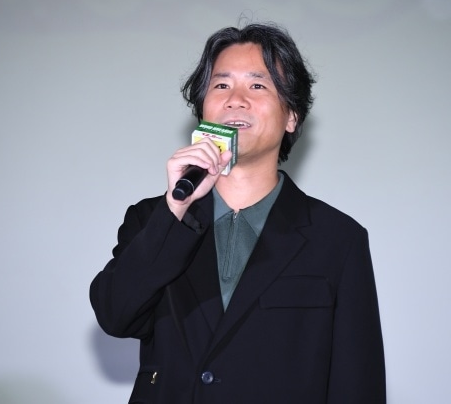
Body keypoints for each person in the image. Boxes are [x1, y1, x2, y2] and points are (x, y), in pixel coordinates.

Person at [90, 22, 385, 403]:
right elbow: (115, 316)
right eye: (221, 85)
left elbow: (356, 381)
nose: (236, 100)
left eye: (258, 86)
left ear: (292, 116)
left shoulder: (337, 239)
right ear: (202, 109)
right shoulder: (155, 219)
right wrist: (175, 209)